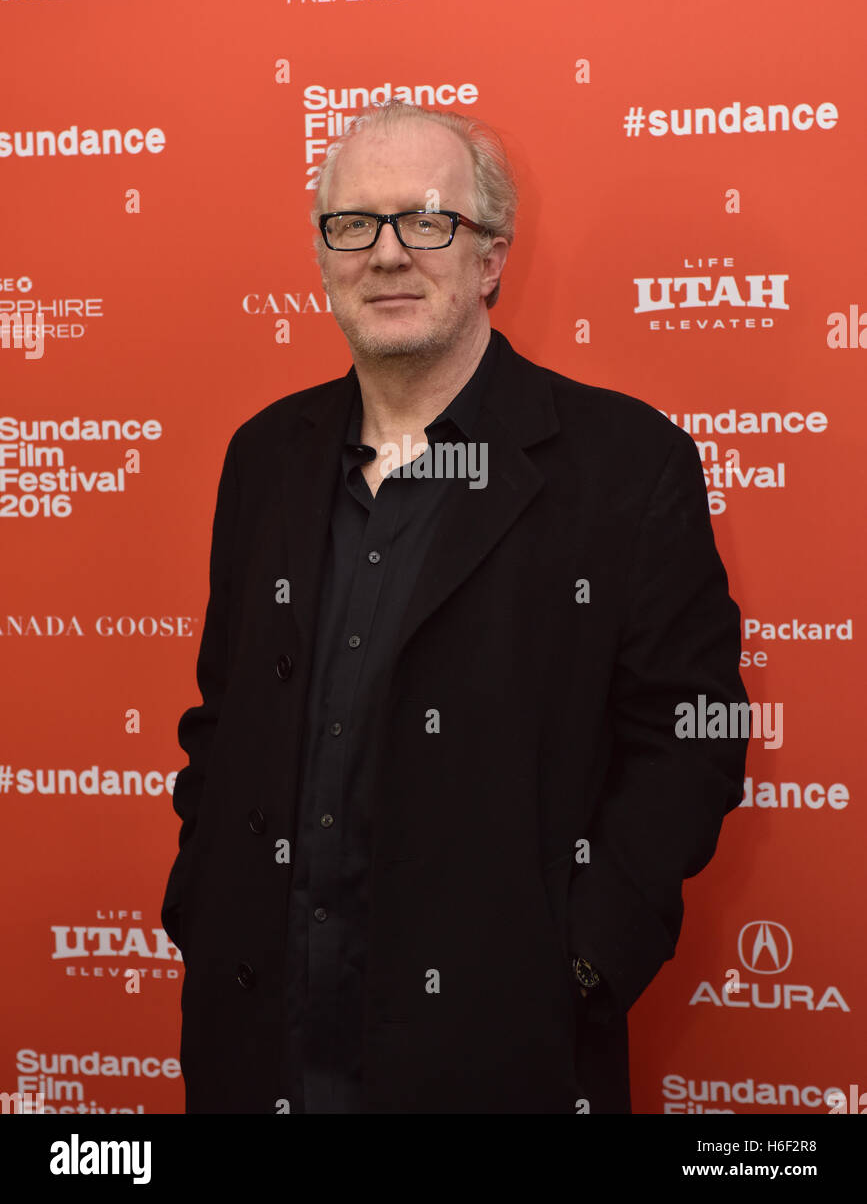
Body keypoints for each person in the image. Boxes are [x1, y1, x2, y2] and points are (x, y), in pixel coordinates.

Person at [161, 99, 749, 1114]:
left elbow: (690, 740)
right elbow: (226, 718)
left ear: (489, 258)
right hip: (261, 1047)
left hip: (496, 1063)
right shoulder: (265, 456)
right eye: (354, 224)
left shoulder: (625, 465)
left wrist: (578, 964)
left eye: (427, 220)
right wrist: (200, 905)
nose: (387, 253)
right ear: (324, 256)